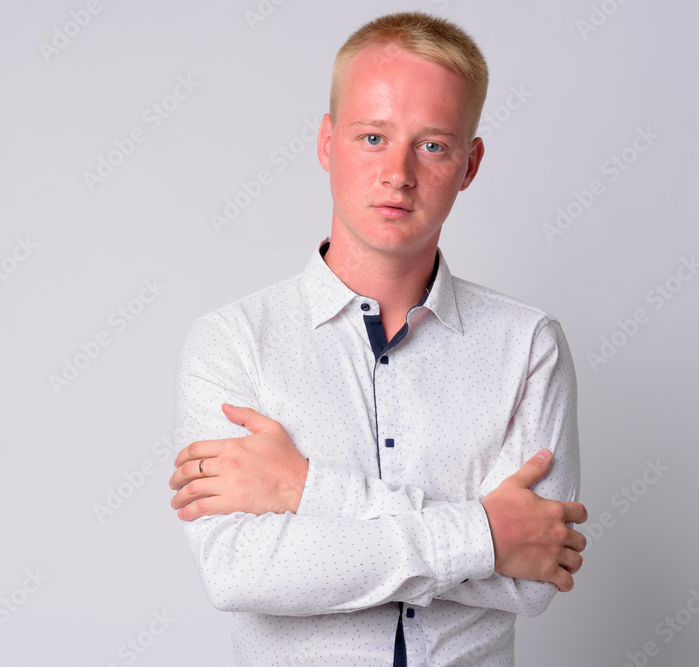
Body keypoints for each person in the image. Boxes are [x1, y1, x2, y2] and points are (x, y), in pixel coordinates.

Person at [168, 11, 587, 666]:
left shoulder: (528, 345)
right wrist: (483, 533)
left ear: (470, 164)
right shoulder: (232, 342)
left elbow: (533, 574)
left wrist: (306, 491)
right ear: (326, 144)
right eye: (372, 137)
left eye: (433, 145)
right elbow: (241, 569)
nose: (398, 172)